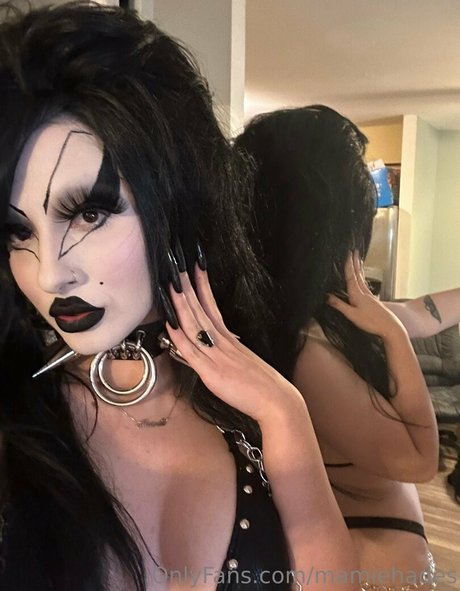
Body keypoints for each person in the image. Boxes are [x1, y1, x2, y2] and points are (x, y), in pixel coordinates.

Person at [0, 4, 360, 591]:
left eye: (89, 213)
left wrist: (285, 414)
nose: (48, 276)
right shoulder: (16, 422)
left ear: (175, 198)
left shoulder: (253, 409)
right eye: (18, 233)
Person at [235, 105, 440, 591]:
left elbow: (426, 311)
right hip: (378, 569)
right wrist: (393, 335)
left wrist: (392, 321)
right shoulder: (308, 355)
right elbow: (420, 461)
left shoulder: (312, 320)